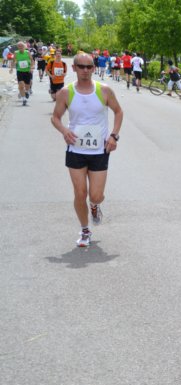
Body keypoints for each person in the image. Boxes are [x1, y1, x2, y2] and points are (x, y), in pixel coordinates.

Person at [50, 53, 124, 247]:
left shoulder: (104, 90)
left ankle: (95, 206)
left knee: (96, 196)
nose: (85, 70)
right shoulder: (66, 92)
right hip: (75, 150)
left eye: (89, 66)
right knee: (80, 193)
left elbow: (118, 111)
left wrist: (114, 136)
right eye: (81, 66)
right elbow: (55, 117)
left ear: (93, 68)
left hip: (99, 151)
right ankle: (84, 230)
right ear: (74, 68)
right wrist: (64, 130)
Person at [12, 41, 34, 106]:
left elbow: (32, 60)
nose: (20, 47)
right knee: (21, 85)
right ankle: (24, 99)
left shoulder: (27, 52)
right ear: (18, 47)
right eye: (19, 46)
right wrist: (11, 68)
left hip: (27, 71)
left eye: (21, 46)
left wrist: (31, 68)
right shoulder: (16, 53)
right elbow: (13, 60)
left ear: (24, 47)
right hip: (20, 71)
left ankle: (26, 92)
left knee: (27, 86)